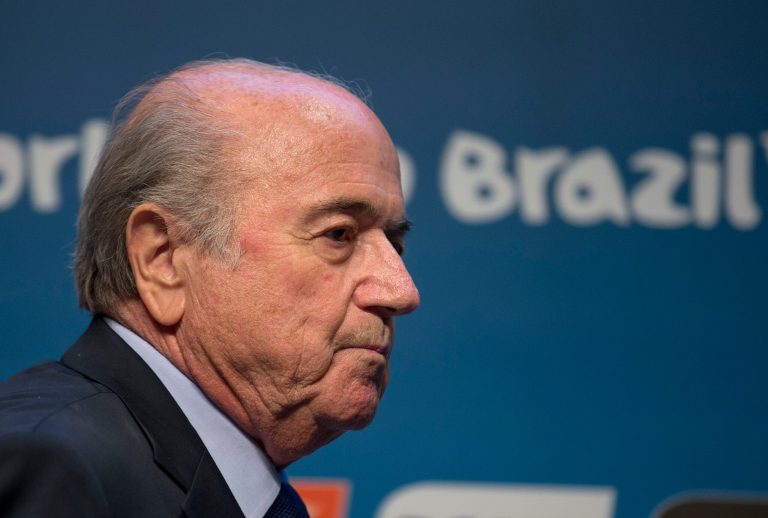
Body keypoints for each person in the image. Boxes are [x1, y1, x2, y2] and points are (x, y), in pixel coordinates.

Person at [0, 58, 419, 517]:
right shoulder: (51, 469)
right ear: (163, 259)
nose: (401, 291)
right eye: (338, 234)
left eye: (395, 243)